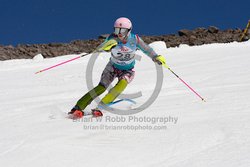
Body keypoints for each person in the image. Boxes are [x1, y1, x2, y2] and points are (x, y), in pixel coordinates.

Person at [68, 17, 166, 119]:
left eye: (122, 30)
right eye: (116, 30)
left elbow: (147, 49)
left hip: (127, 70)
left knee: (120, 86)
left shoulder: (135, 39)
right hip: (112, 67)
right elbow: (102, 47)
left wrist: (156, 57)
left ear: (128, 30)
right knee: (101, 88)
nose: (119, 33)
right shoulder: (112, 38)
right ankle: (78, 107)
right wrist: (107, 45)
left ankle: (101, 107)